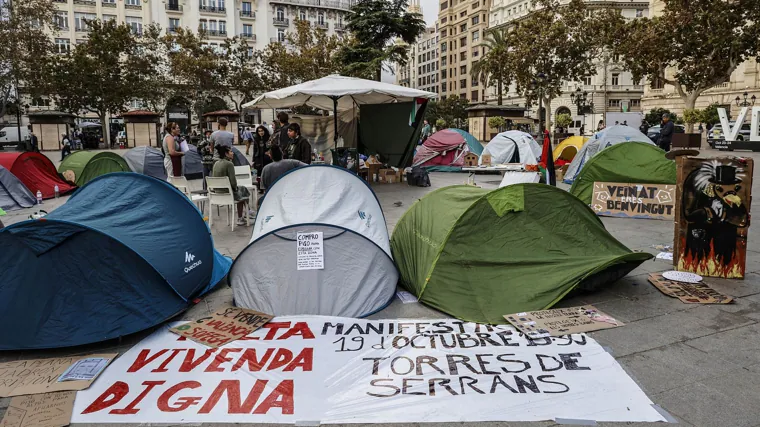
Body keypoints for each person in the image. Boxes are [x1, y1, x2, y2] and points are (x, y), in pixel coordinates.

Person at [212, 145, 250, 226]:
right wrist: (236, 189)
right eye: (231, 152)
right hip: (228, 193)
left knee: (241, 190)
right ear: (226, 154)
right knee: (243, 190)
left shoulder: (216, 163)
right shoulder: (229, 164)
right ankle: (242, 216)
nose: (233, 153)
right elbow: (233, 182)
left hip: (217, 193)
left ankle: (248, 211)